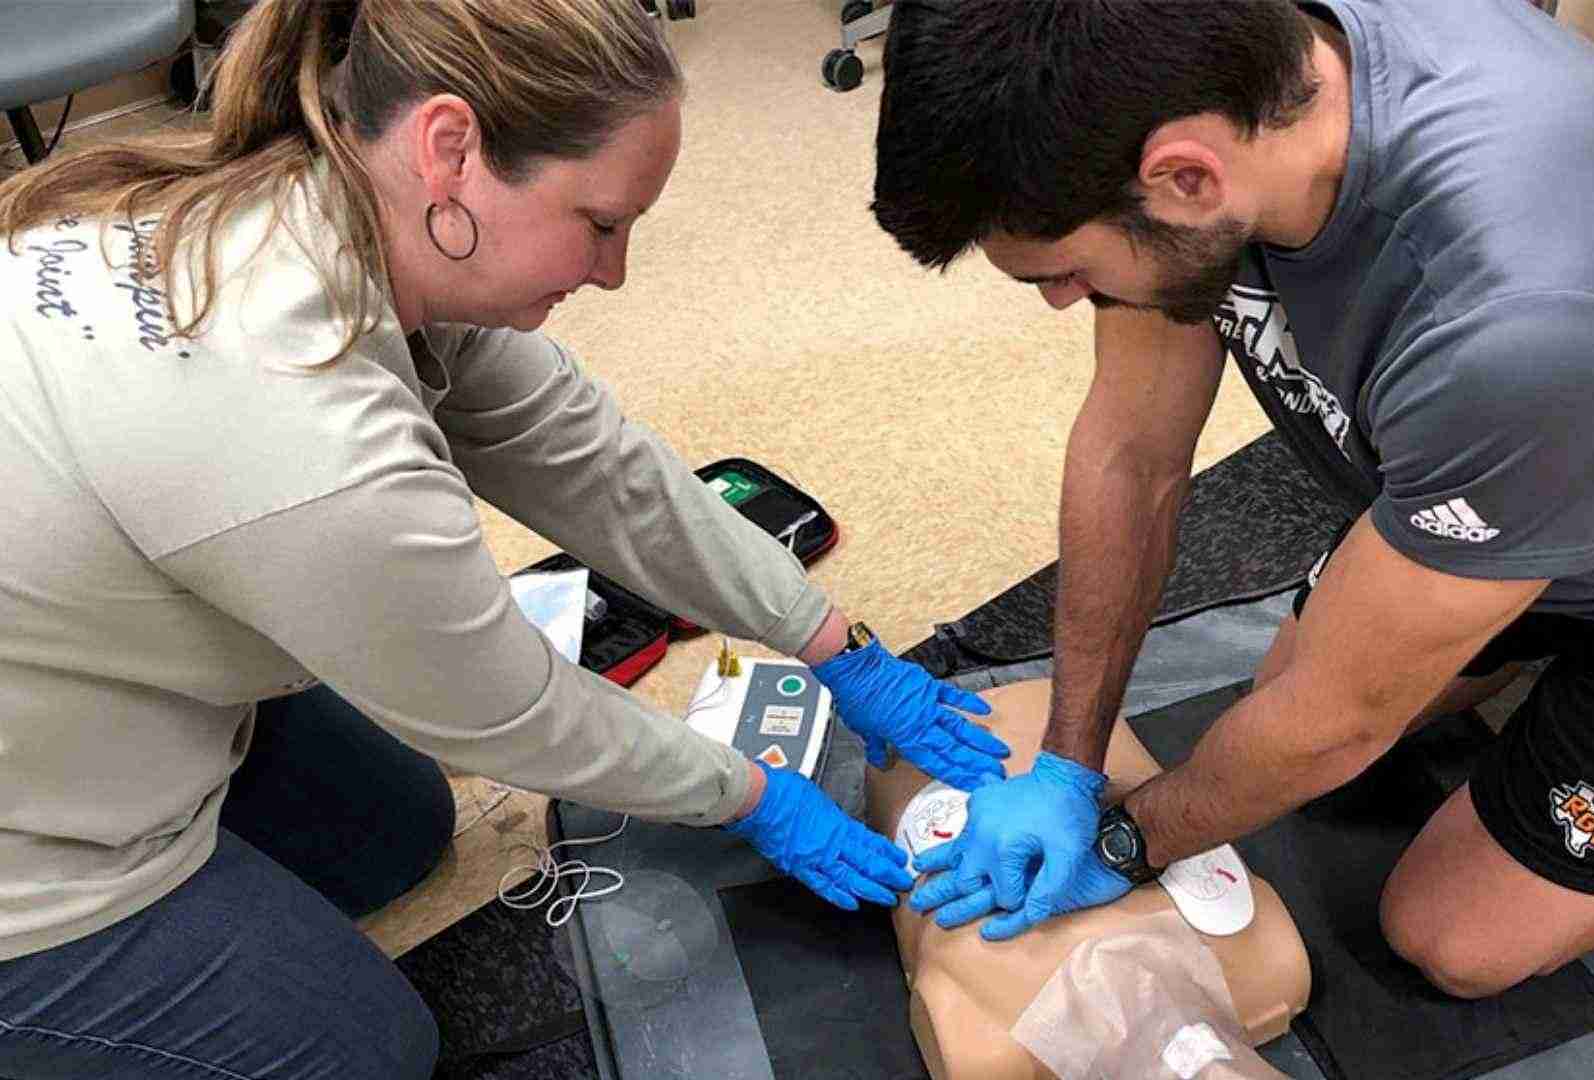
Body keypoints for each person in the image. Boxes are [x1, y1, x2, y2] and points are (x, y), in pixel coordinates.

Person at [0, 1, 1007, 1075]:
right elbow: (512, 710)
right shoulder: (301, 437)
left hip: (75, 643)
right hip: (34, 839)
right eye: (601, 224)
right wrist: (754, 797)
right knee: (371, 1049)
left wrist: (827, 640)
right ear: (450, 149)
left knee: (396, 837)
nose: (613, 272)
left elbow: (594, 464)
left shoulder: (343, 209)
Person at [869, 0, 1594, 1000]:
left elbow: (1341, 722)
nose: (1065, 302)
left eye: (1064, 273)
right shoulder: (1212, 81)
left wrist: (1122, 840)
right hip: (1531, 460)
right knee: (1277, 695)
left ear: (1184, 177)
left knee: (1452, 939)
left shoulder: (1523, 310)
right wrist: (1068, 760)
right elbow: (1135, 452)